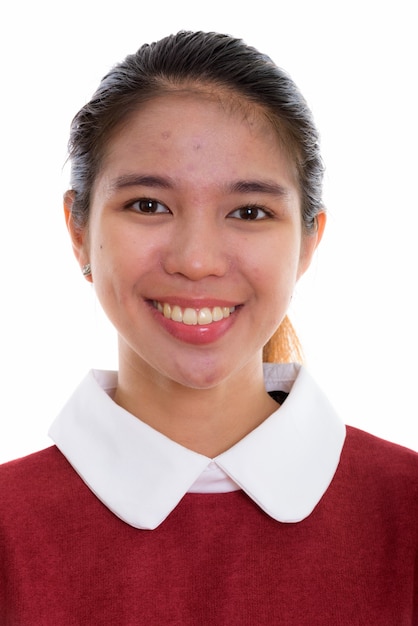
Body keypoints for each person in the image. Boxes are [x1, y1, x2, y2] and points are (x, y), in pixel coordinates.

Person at [0, 30, 417, 625]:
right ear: (77, 229)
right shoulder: (9, 533)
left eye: (249, 212)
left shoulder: (406, 514)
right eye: (148, 204)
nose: (196, 260)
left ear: (307, 242)